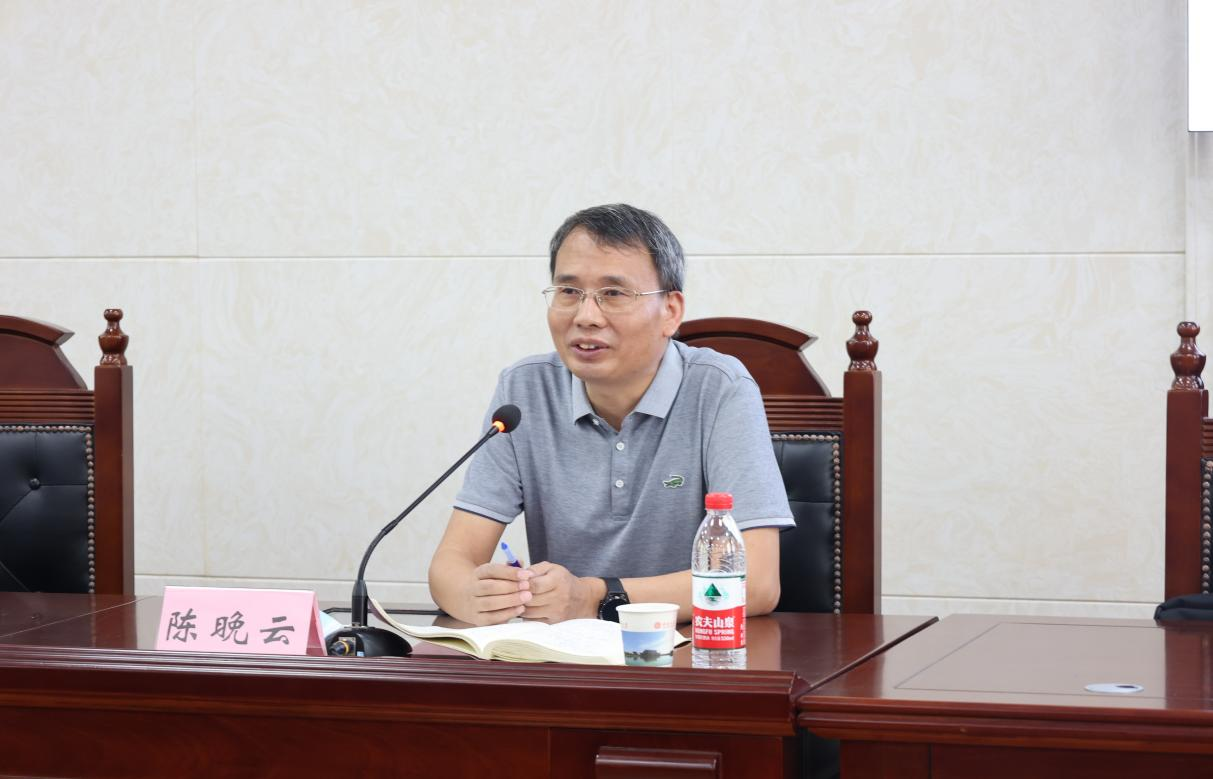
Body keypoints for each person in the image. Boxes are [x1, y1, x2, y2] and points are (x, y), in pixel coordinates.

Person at [428, 204, 793, 626]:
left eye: (614, 294)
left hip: (691, 653)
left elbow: (757, 582)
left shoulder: (719, 387)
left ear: (671, 311)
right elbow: (450, 565)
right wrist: (476, 595)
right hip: (565, 659)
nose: (586, 316)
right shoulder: (524, 390)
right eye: (569, 291)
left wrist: (596, 597)